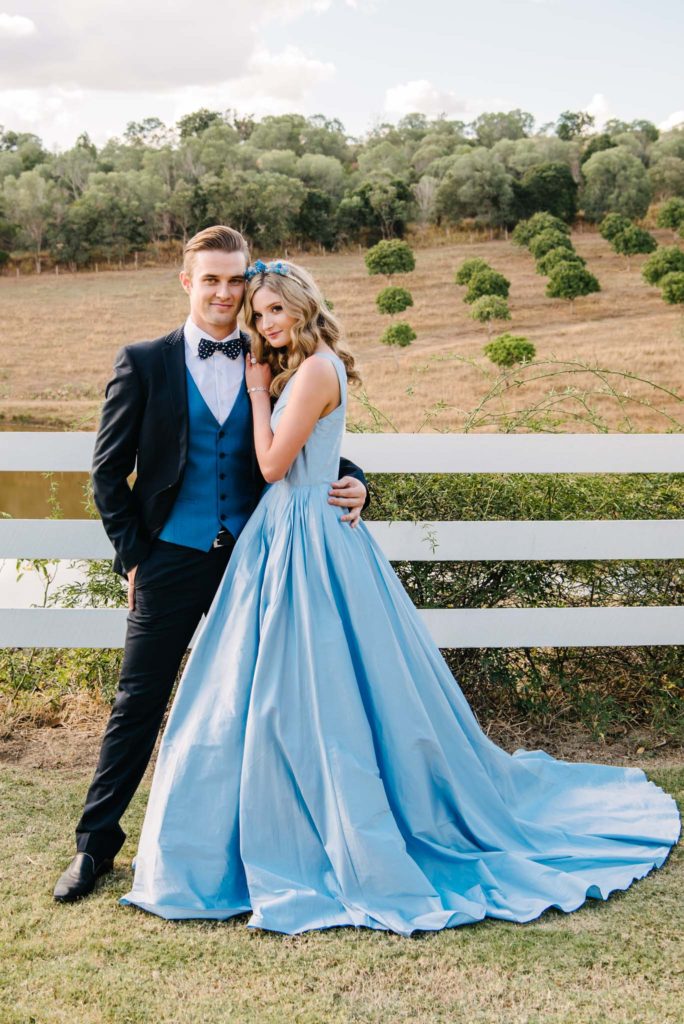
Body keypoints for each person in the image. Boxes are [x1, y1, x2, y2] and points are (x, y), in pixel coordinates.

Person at [118, 259, 680, 936]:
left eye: (274, 310)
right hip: (282, 534)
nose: (265, 324)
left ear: (301, 307)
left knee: (316, 688)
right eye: (257, 314)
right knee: (256, 688)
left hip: (306, 537)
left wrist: (259, 392)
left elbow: (271, 465)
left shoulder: (312, 371)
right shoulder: (304, 367)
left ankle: (335, 828)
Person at [53, 229, 369, 903]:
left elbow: (312, 438)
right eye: (211, 280)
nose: (225, 293)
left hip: (259, 559)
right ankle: (94, 845)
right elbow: (107, 473)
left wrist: (359, 481)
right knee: (138, 701)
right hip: (169, 557)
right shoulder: (145, 362)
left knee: (261, 703)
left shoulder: (272, 353)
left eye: (235, 280)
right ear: (186, 282)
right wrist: (134, 557)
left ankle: (259, 849)